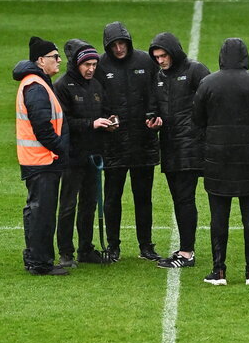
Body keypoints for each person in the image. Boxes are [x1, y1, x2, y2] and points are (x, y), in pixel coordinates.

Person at [192, 38, 249, 286]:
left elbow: (197, 118)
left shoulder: (208, 83)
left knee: (219, 217)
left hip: (217, 160)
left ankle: (219, 271)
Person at [97, 22, 161, 263]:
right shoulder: (101, 66)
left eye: (122, 43)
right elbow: (97, 98)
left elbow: (157, 93)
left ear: (128, 42)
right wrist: (106, 119)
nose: (119, 48)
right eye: (114, 44)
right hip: (113, 144)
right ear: (108, 46)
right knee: (112, 197)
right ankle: (113, 246)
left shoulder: (145, 62)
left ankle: (146, 245)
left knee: (143, 196)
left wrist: (153, 116)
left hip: (143, 142)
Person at [147, 32, 210, 269]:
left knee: (184, 198)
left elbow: (211, 99)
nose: (160, 60)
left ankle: (186, 253)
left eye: (163, 56)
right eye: (156, 57)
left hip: (191, 146)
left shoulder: (196, 71)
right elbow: (156, 107)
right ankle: (186, 249)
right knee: (180, 199)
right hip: (170, 145)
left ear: (173, 52)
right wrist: (154, 121)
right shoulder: (159, 76)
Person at [53, 40, 117, 268]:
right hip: (72, 155)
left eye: (94, 64)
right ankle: (65, 252)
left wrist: (111, 122)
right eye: (87, 64)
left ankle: (86, 249)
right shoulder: (62, 86)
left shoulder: (97, 85)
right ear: (77, 64)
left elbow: (107, 111)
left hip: (93, 154)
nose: (91, 69)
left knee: (89, 204)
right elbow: (63, 122)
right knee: (69, 204)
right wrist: (92, 123)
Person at [13, 37, 69, 275]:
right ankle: (40, 263)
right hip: (42, 160)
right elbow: (42, 128)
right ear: (40, 60)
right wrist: (60, 148)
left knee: (37, 211)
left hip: (38, 159)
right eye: (54, 56)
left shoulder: (36, 82)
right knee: (42, 213)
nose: (59, 60)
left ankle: (35, 258)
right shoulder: (36, 86)